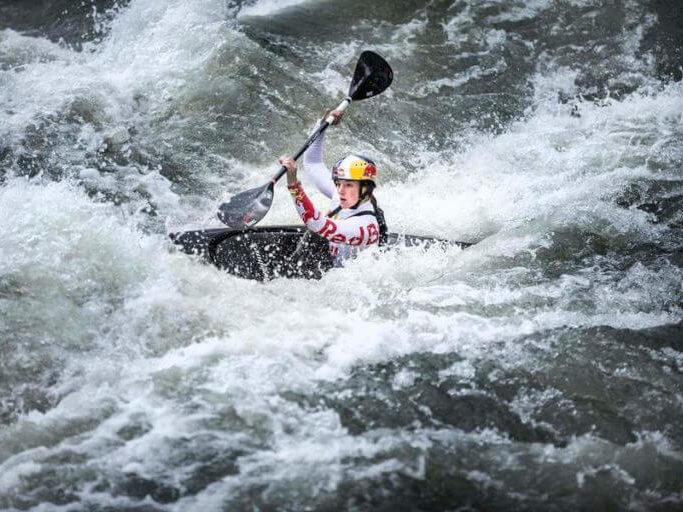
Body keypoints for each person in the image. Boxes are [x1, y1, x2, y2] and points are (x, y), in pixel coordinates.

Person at [279, 109, 388, 266]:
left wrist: (293, 184)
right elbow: (312, 162)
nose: (340, 190)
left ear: (366, 188)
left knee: (315, 234)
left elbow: (317, 224)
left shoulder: (365, 226)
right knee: (312, 237)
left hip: (344, 282)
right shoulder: (346, 196)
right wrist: (323, 124)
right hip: (328, 261)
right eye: (338, 183)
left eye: (348, 184)